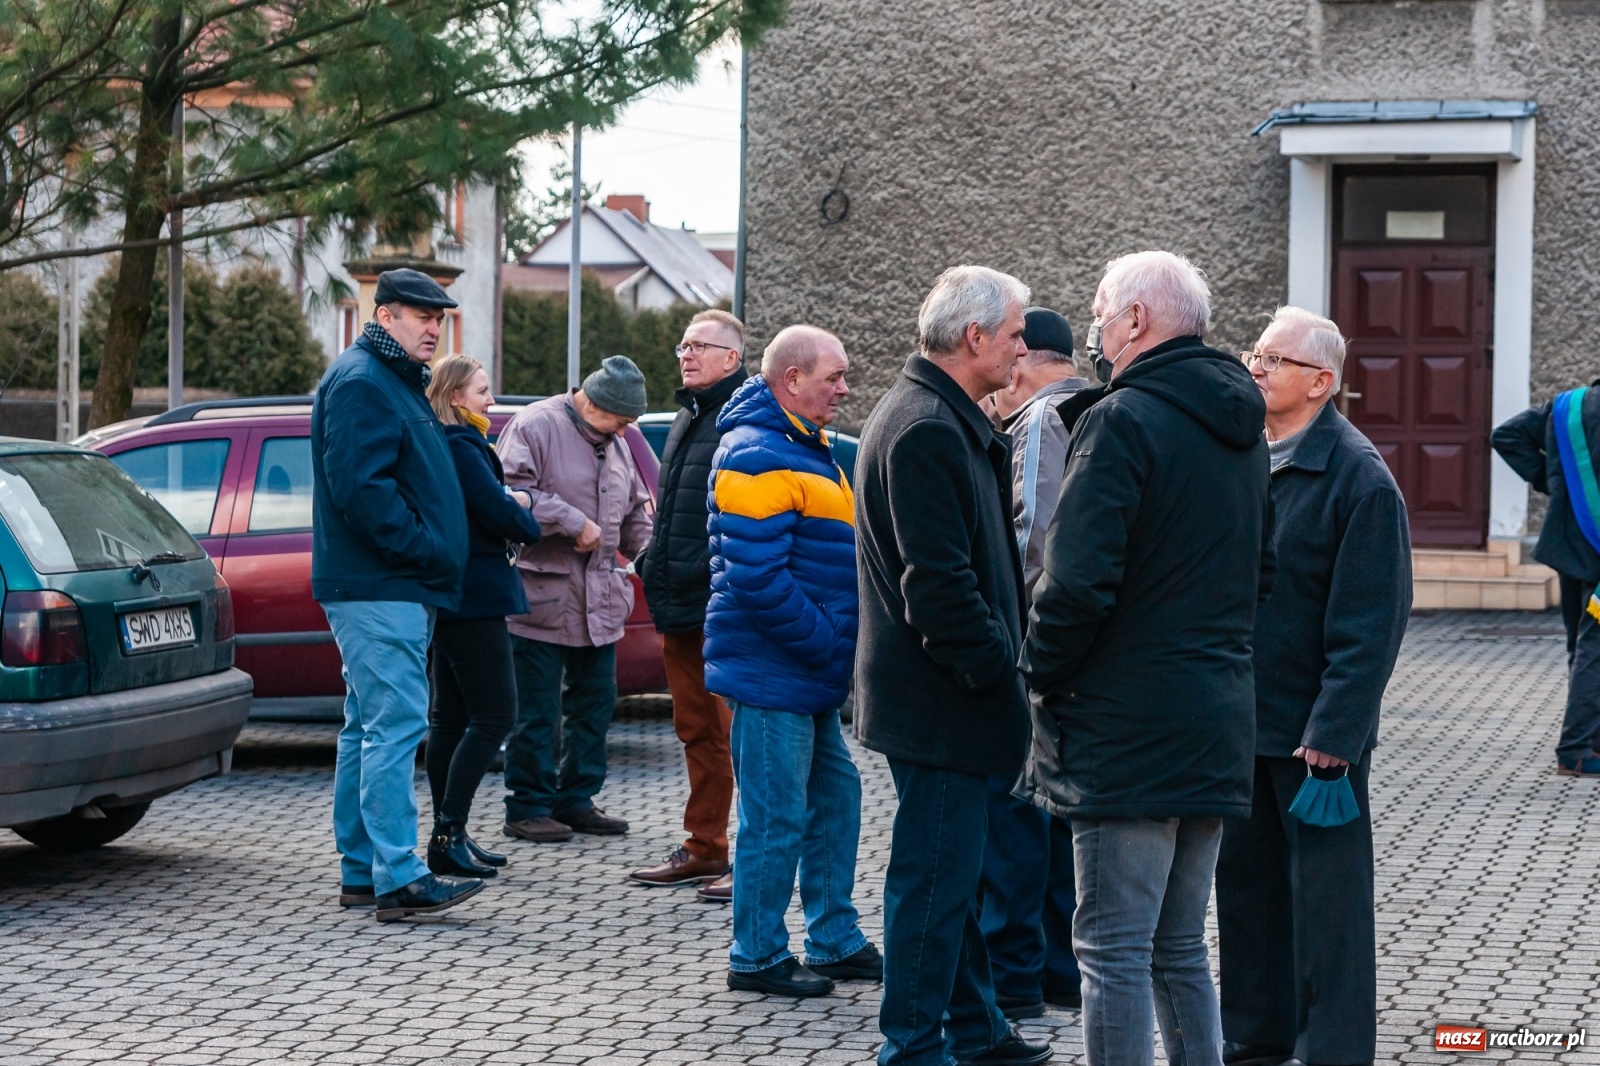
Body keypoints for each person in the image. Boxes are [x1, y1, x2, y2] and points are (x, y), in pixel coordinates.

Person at [1020, 250, 1272, 1066]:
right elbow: (1260, 576)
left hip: (1123, 733)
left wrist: (1037, 672)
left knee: (1114, 951)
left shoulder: (1121, 418)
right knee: (1176, 947)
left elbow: (1077, 582)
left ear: (1135, 320)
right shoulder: (1245, 430)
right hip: (1214, 718)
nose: (1093, 324)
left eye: (1099, 307)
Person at [855, 266, 1052, 1066]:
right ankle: (910, 1046)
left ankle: (975, 1030)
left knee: (953, 875)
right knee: (933, 884)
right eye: (1013, 334)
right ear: (974, 338)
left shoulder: (939, 415)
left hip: (943, 700)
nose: (1021, 349)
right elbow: (938, 589)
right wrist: (1000, 673)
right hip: (945, 704)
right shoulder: (927, 427)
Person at [1214, 308, 1410, 1066]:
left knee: (1327, 911)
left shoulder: (1358, 478)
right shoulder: (1247, 455)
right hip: (1244, 726)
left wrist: (1336, 733)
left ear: (1320, 383)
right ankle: (1256, 1037)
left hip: (1315, 741)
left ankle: (1332, 1048)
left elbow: (1371, 624)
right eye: (1254, 352)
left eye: (1274, 358)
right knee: (1249, 896)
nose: (1255, 367)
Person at [704, 324, 879, 998]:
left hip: (805, 672)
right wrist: (828, 644)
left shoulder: (808, 449)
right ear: (791, 380)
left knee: (835, 799)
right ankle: (755, 956)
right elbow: (755, 577)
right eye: (832, 376)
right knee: (775, 818)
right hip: (775, 669)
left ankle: (832, 938)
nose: (843, 387)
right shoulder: (755, 455)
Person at [311, 267, 481, 923]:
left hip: (386, 583)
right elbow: (362, 491)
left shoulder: (389, 380)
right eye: (419, 315)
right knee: (395, 728)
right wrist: (429, 548)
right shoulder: (362, 382)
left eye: (438, 318)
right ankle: (400, 877)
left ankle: (364, 871)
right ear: (384, 317)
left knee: (367, 729)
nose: (433, 327)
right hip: (380, 585)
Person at [977, 306, 1087, 1021]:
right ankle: (1055, 966)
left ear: (1025, 361)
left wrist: (1015, 639)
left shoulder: (1043, 420)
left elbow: (1032, 539)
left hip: (1034, 645)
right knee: (1054, 816)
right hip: (1083, 649)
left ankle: (1015, 973)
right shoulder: (1101, 409)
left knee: (1017, 813)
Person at [497, 356, 654, 843]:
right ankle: (527, 806)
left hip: (601, 603)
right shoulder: (535, 426)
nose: (628, 429)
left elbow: (635, 511)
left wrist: (651, 552)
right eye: (622, 419)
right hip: (542, 600)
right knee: (536, 712)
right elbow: (506, 494)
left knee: (595, 705)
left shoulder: (618, 443)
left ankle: (576, 799)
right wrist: (570, 520)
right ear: (595, 402)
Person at [630, 310, 749, 897]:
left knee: (738, 735)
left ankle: (748, 858)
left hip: (720, 603)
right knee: (695, 729)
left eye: (699, 346)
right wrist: (652, 561)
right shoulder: (687, 416)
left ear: (732, 358)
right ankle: (706, 847)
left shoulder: (742, 416)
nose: (686, 354)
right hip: (678, 598)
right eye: (683, 345)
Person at [422, 355, 544, 878]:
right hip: (475, 595)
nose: (490, 401)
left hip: (453, 594)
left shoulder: (442, 444)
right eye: (481, 392)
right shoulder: (462, 446)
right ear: (454, 397)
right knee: (496, 713)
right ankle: (450, 830)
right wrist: (520, 507)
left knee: (449, 717)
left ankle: (449, 836)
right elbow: (496, 511)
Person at [1491, 383, 1600, 775]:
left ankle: (1591, 741)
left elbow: (1505, 436)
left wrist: (1556, 485)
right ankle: (1574, 749)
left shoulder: (1567, 407)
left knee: (1582, 645)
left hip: (1571, 544)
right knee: (1595, 648)